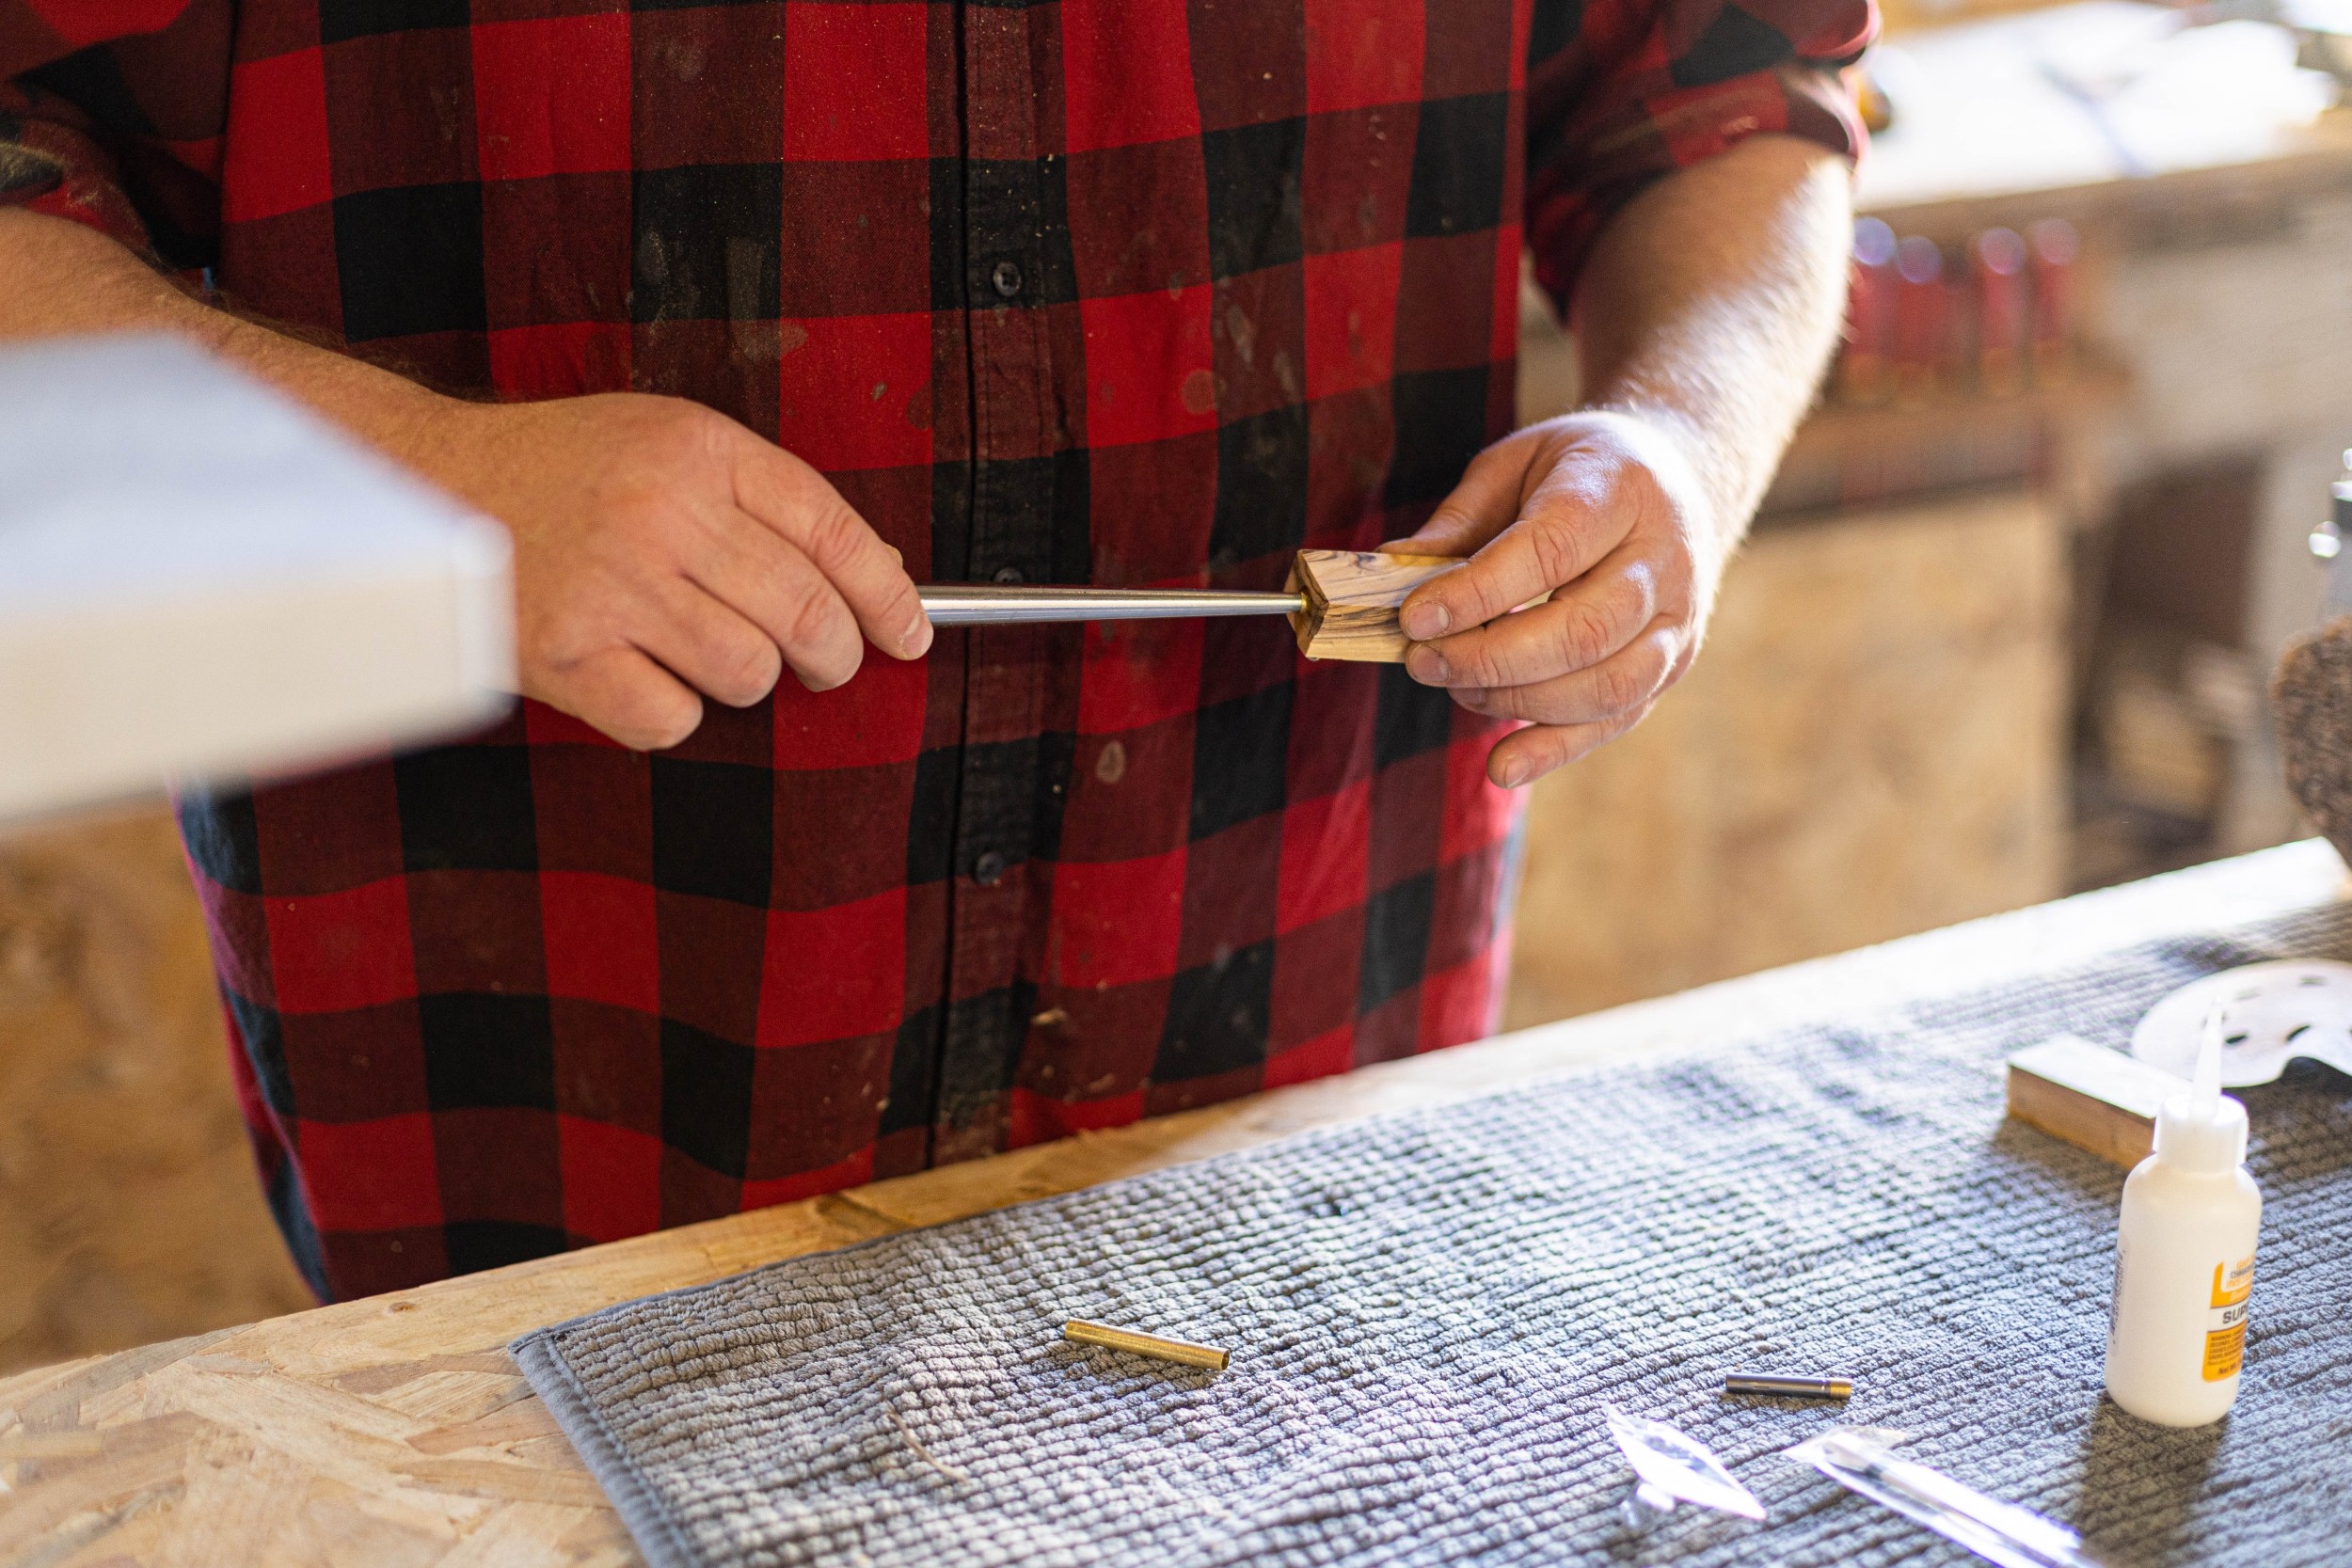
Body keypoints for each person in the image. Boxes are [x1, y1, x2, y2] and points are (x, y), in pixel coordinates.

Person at [0, 0, 1872, 1301]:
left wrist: (1682, 446)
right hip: (554, 1101)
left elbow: (1727, 85)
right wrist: (420, 486)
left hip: (1289, 1030)